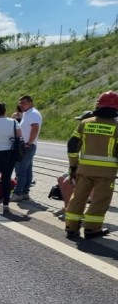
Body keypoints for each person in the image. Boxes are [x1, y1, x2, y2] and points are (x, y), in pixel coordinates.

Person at [63, 91, 118, 240]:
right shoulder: (116, 126)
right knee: (100, 201)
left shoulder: (85, 123)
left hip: (84, 170)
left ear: (99, 105)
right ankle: (91, 229)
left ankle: (71, 227)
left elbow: (72, 145)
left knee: (78, 198)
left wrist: (73, 166)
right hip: (106, 174)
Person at [11, 94, 42, 202]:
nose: (21, 105)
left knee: (20, 170)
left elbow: (35, 128)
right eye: (20, 103)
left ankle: (18, 193)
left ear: (30, 103)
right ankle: (25, 192)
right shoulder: (27, 114)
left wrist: (29, 143)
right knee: (27, 170)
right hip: (26, 145)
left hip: (27, 146)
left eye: (23, 103)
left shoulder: (33, 114)